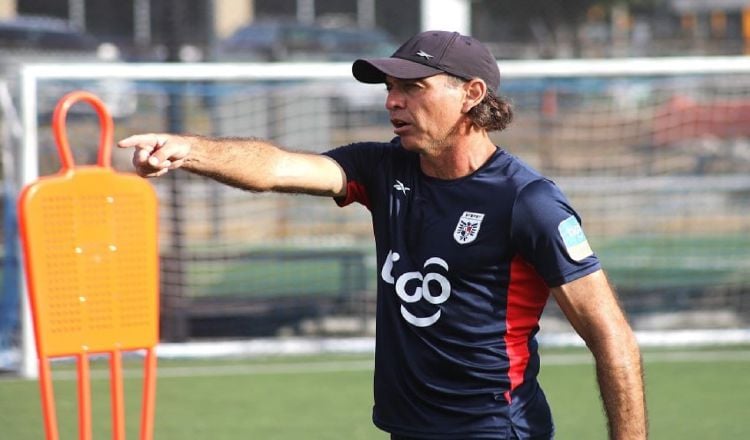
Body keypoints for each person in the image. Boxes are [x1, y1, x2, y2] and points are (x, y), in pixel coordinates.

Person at [119, 30, 647, 440]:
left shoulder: (526, 202)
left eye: (412, 87)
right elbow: (277, 167)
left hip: (493, 429)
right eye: (390, 88)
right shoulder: (381, 168)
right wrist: (188, 149)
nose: (393, 101)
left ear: (472, 94)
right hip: (406, 427)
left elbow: (612, 335)